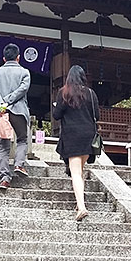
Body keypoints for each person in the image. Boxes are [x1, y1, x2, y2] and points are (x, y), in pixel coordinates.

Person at [53, 65, 99, 221]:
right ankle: (79, 202)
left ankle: (81, 207)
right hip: (87, 135)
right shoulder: (91, 94)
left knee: (76, 172)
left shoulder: (64, 93)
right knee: (80, 170)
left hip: (72, 135)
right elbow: (97, 115)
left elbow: (57, 115)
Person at [0, 43, 31, 191]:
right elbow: (23, 89)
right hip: (19, 111)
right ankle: (19, 164)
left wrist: (2, 104)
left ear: (4, 58)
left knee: (4, 146)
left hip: (2, 112)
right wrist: (9, 101)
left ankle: (4, 179)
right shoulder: (24, 72)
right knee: (22, 139)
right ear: (19, 57)